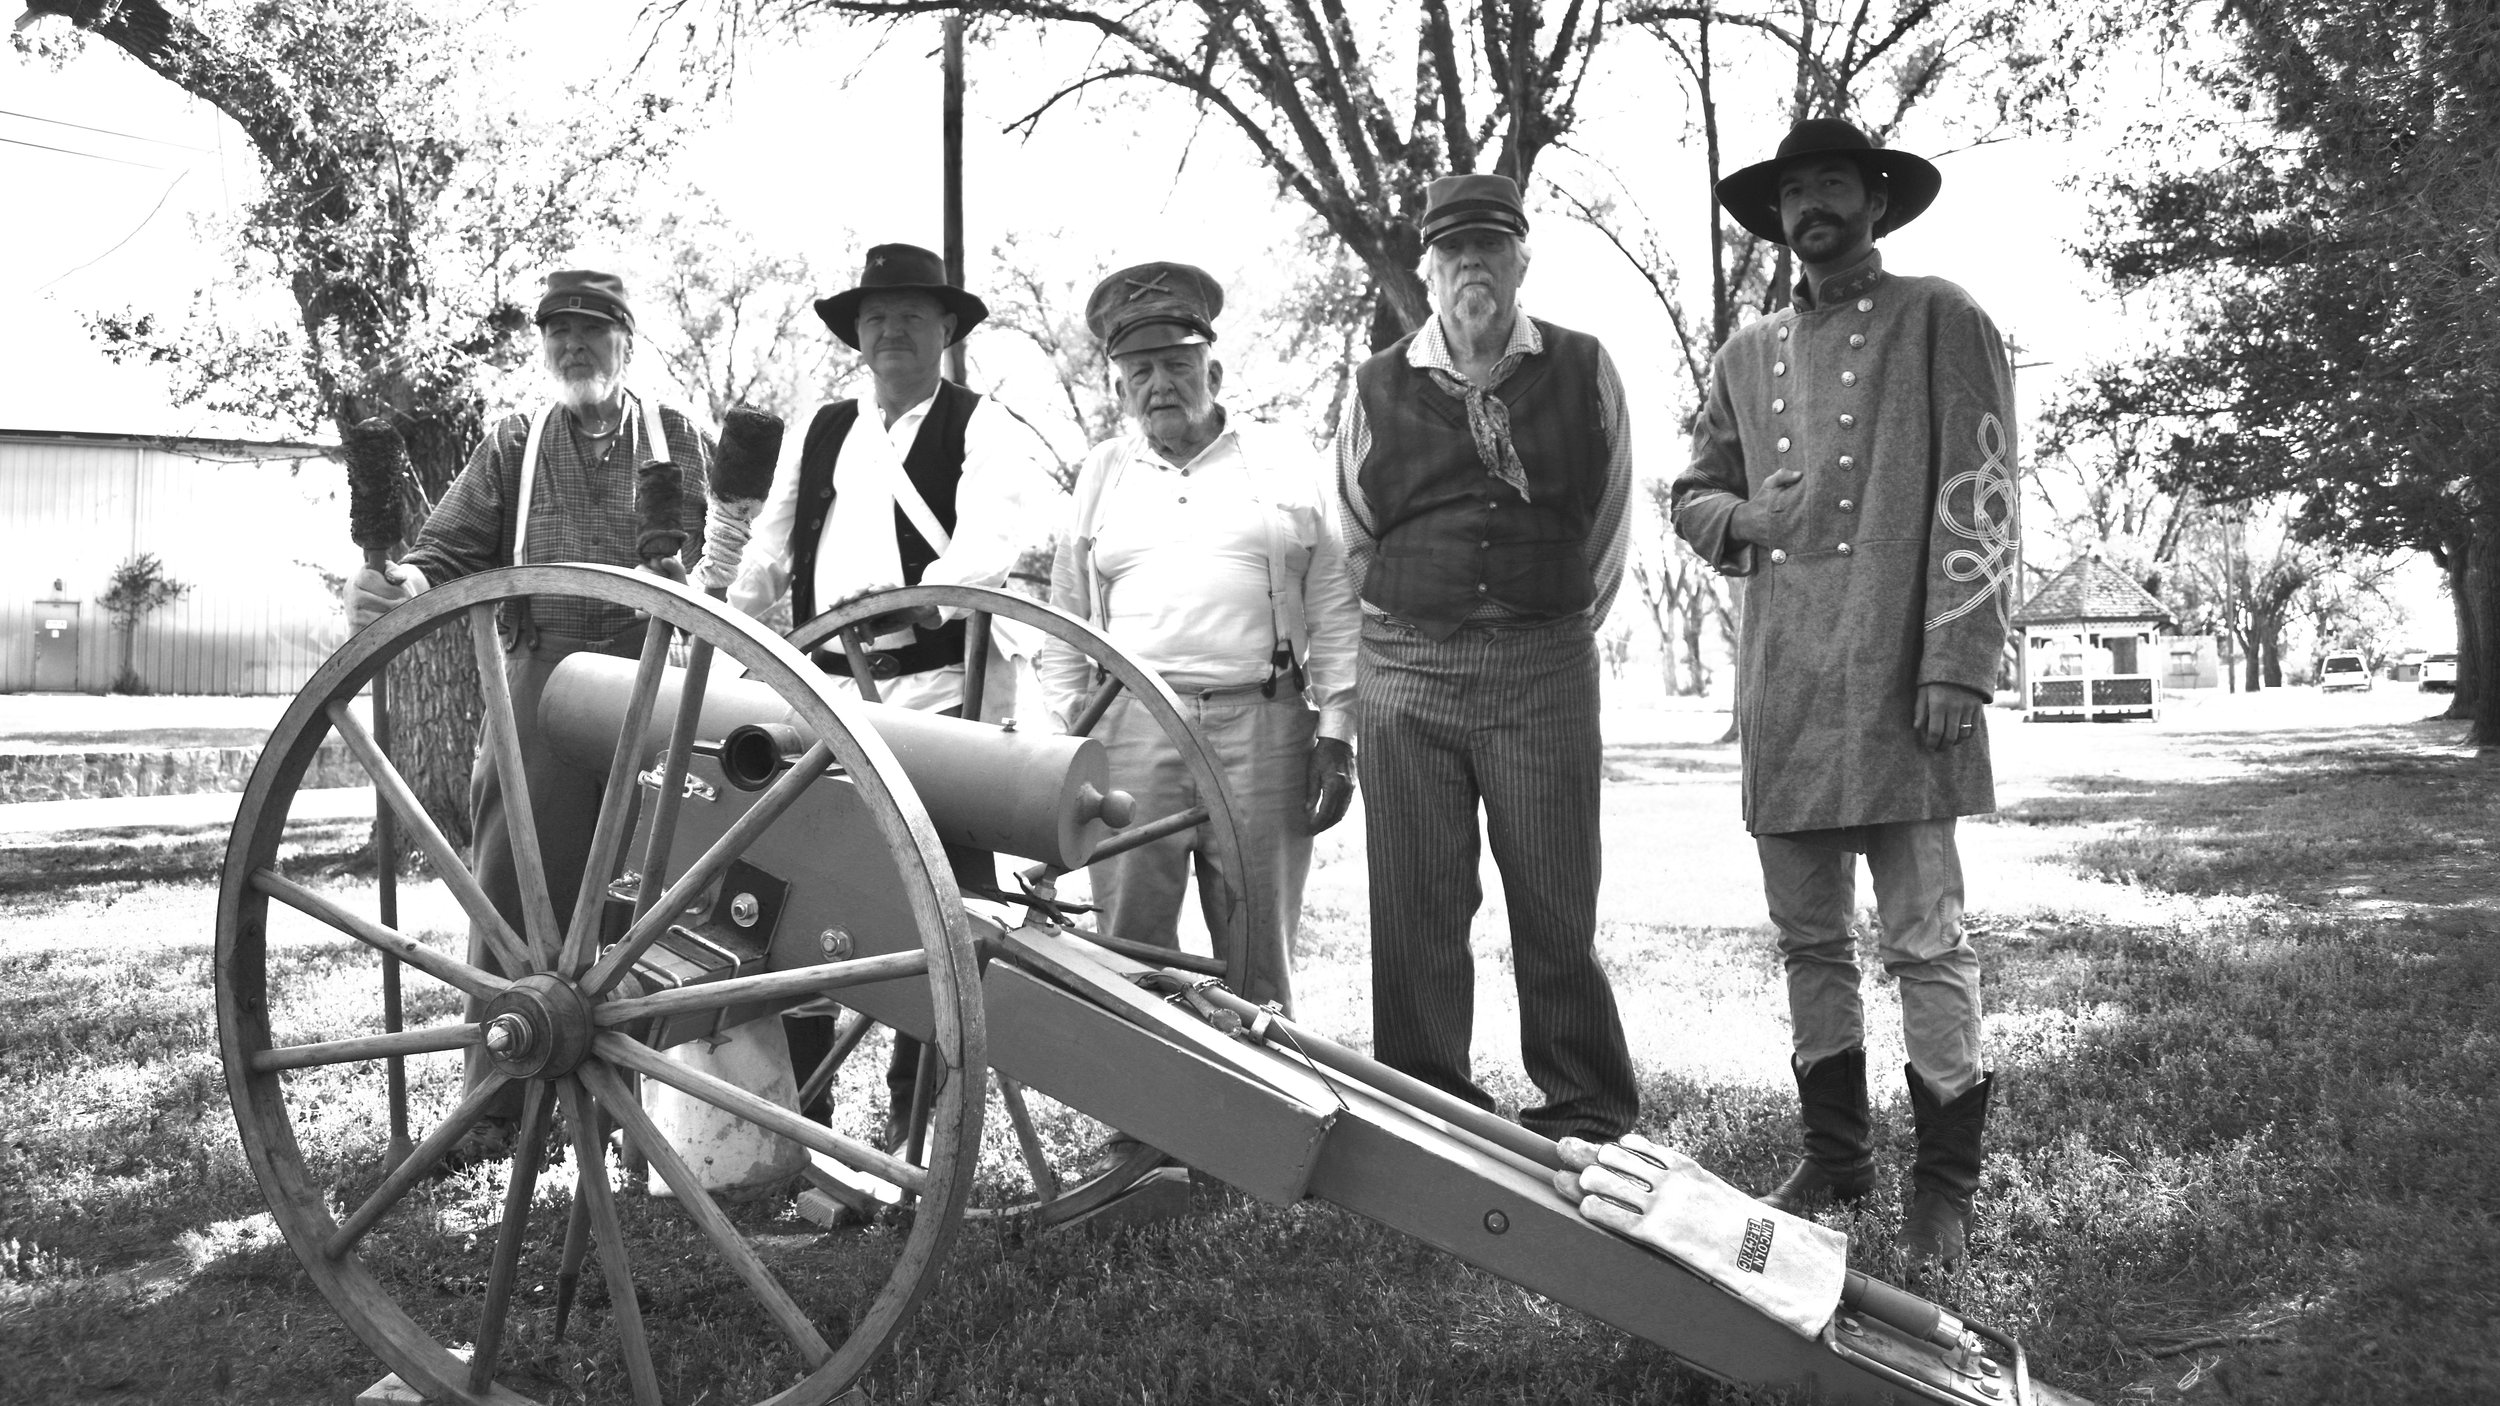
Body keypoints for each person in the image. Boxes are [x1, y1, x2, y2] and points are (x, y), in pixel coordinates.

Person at [1671, 119, 2016, 1270]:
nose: (1810, 205)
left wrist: (1957, 663)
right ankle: (1835, 1155)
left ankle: (1944, 1183)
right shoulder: (1744, 350)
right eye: (1792, 192)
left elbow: (1981, 493)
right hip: (1788, 685)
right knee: (1806, 939)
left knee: (1925, 938)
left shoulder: (1941, 315)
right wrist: (1742, 519)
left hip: (1905, 675)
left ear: (1874, 198)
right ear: (1777, 218)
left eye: (1831, 183)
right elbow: (1691, 492)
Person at [349, 268, 712, 1154]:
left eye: (593, 330)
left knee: (642, 892)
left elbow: (710, 562)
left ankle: (625, 1104)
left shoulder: (677, 439)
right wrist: (404, 582)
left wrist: (684, 574)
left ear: (627, 342)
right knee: (513, 888)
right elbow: (447, 548)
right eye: (560, 332)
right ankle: (500, 1102)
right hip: (538, 669)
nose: (575, 346)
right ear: (543, 346)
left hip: (648, 670)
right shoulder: (515, 439)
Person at [725, 242, 1057, 1142]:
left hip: (940, 694)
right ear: (858, 336)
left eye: (912, 315)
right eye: (876, 317)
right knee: (788, 894)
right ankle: (804, 1113)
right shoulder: (824, 428)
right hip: (822, 694)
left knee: (939, 918)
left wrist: (915, 604)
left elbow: (992, 535)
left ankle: (923, 1129)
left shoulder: (982, 426)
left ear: (945, 329)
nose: (892, 331)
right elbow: (771, 545)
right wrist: (721, 631)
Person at [1332, 174, 1640, 1144]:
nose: (1472, 265)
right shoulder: (1374, 383)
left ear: (1521, 261)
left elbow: (1609, 526)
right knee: (1416, 897)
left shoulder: (1585, 368)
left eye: (1490, 248)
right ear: (1425, 270)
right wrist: (1412, 625)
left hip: (1542, 664)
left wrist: (1541, 615)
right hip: (1406, 666)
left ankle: (1584, 1103)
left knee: (1556, 892)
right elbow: (1351, 531)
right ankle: (1428, 1107)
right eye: (1453, 250)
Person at [1039, 261, 1358, 1019]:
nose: (1160, 385)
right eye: (1140, 370)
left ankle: (1267, 1123)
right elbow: (1065, 620)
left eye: (1177, 365)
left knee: (1258, 947)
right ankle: (1140, 1132)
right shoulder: (1102, 475)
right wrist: (1061, 739)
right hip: (1132, 730)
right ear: (1119, 388)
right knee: (1129, 946)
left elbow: (1337, 602)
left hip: (1265, 725)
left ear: (1212, 368)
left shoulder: (1282, 459)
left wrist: (1338, 732)